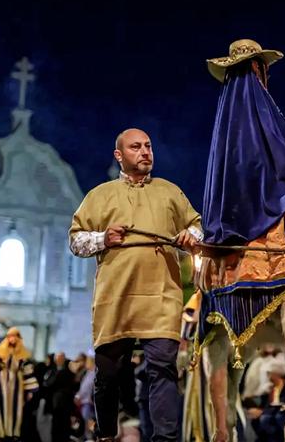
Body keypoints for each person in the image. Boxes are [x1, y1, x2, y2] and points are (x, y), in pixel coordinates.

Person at [69, 127, 202, 442]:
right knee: (109, 374)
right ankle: (106, 435)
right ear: (119, 155)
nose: (145, 152)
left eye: (148, 146)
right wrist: (104, 238)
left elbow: (198, 229)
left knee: (163, 370)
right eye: (135, 147)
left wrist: (190, 239)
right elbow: (75, 241)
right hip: (116, 298)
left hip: (161, 296)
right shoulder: (99, 195)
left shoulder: (170, 192)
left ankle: (165, 439)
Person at [203, 39, 285, 246]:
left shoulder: (226, 122)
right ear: (256, 67)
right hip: (271, 206)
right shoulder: (261, 113)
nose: (265, 76)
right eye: (264, 70)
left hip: (234, 214)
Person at [0, 327, 39, 442]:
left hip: (16, 386)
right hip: (1, 385)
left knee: (15, 411)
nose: (12, 339)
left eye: (14, 336)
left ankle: (12, 434)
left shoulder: (23, 355)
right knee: (0, 409)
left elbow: (28, 372)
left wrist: (29, 391)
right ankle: (0, 433)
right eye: (10, 336)